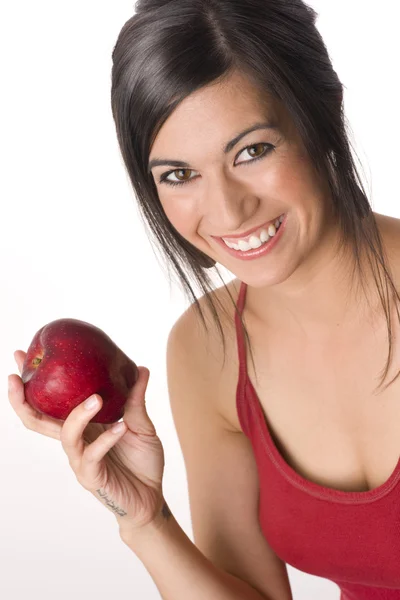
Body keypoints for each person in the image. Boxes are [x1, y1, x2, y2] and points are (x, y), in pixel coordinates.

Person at [8, 0, 400, 598]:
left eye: (252, 151)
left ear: (322, 118)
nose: (226, 211)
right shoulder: (207, 350)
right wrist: (146, 522)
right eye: (178, 174)